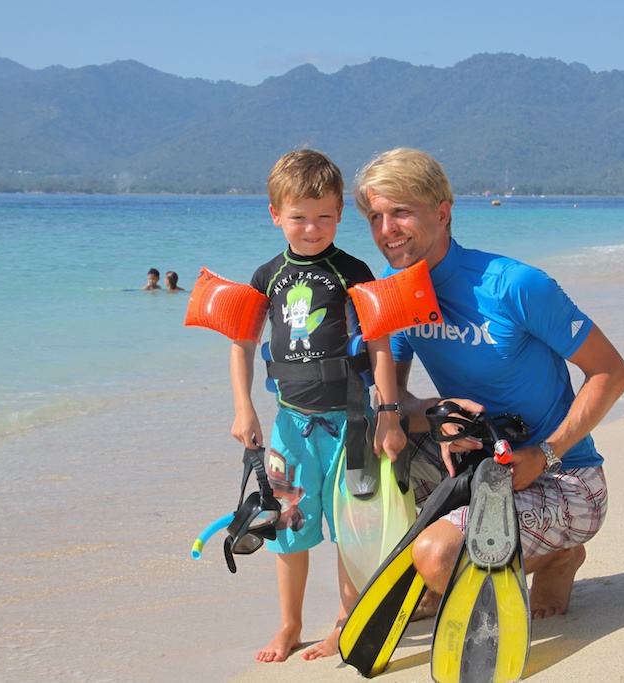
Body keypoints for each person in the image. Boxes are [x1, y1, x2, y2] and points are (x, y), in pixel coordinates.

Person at [352, 148, 624, 620]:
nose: (386, 230)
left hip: (565, 478)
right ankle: (457, 563)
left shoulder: (514, 285)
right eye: (375, 217)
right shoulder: (395, 289)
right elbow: (397, 402)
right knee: (367, 440)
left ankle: (558, 555)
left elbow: (611, 372)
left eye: (400, 212)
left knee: (437, 558)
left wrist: (547, 454)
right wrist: (440, 411)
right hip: (477, 470)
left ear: (442, 213)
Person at [229, 149, 407, 663]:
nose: (312, 228)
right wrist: (244, 408)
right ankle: (289, 625)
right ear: (275, 215)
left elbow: (379, 343)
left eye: (324, 216)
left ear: (339, 214)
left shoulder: (353, 270)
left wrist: (389, 414)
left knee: (352, 528)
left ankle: (345, 623)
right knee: (288, 529)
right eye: (299, 218)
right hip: (290, 426)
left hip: (352, 422)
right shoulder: (267, 275)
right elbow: (241, 344)